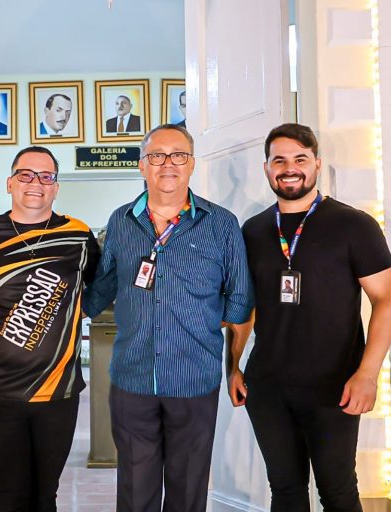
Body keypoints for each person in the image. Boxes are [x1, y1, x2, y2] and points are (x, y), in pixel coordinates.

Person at [83, 124, 254, 511]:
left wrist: (233, 367)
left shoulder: (221, 224)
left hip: (195, 379)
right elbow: (99, 292)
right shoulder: (121, 222)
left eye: (178, 155)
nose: (168, 164)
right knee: (135, 492)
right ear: (142, 165)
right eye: (156, 156)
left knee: (188, 492)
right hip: (132, 378)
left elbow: (240, 302)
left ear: (191, 164)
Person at [232, 123, 391, 512]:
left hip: (334, 385)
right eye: (279, 160)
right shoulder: (254, 230)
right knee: (285, 492)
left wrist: (367, 374)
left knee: (337, 492)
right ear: (266, 168)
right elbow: (243, 305)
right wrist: (234, 365)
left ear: (317, 164)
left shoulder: (353, 225)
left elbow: (387, 300)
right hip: (269, 387)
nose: (289, 168)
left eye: (300, 159)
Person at [0, 146, 100, 511]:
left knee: (45, 498)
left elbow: (98, 287)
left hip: (58, 393)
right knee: (7, 499)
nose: (36, 183)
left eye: (46, 176)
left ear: (56, 187)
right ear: (10, 183)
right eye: (26, 174)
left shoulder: (78, 236)